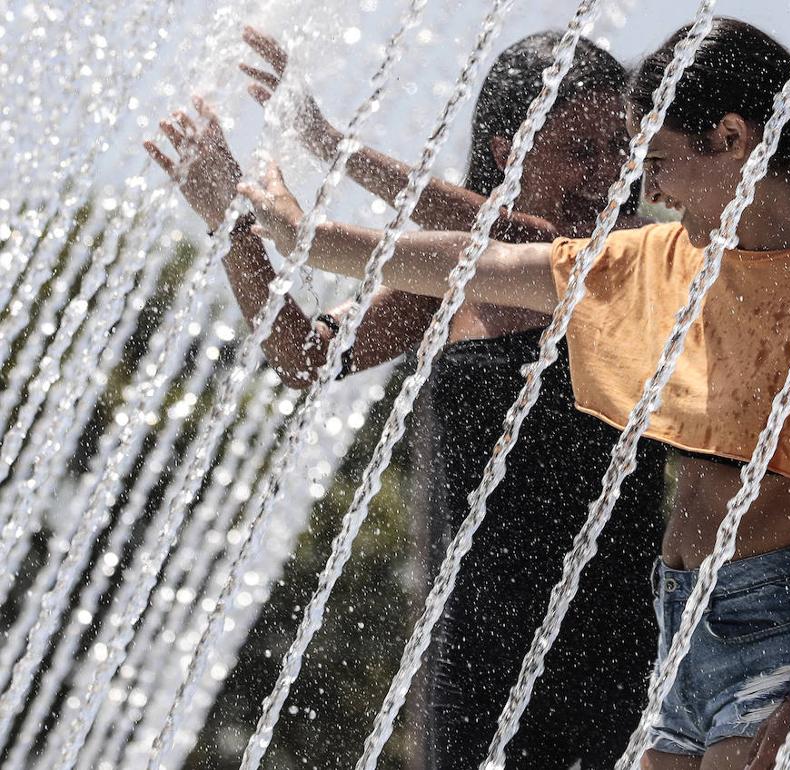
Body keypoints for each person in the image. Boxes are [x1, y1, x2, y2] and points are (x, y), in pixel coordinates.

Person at [236, 17, 790, 770]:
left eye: (658, 158)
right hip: (678, 629)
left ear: (733, 139)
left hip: (787, 627)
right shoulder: (662, 263)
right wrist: (290, 229)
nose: (649, 185)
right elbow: (471, 263)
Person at [146, 28, 667, 769]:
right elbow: (304, 356)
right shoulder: (452, 281)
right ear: (505, 153)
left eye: (622, 147)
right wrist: (233, 228)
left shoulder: (638, 262)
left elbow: (522, 232)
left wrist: (329, 143)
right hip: (476, 641)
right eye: (583, 152)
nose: (612, 173)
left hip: (620, 631)